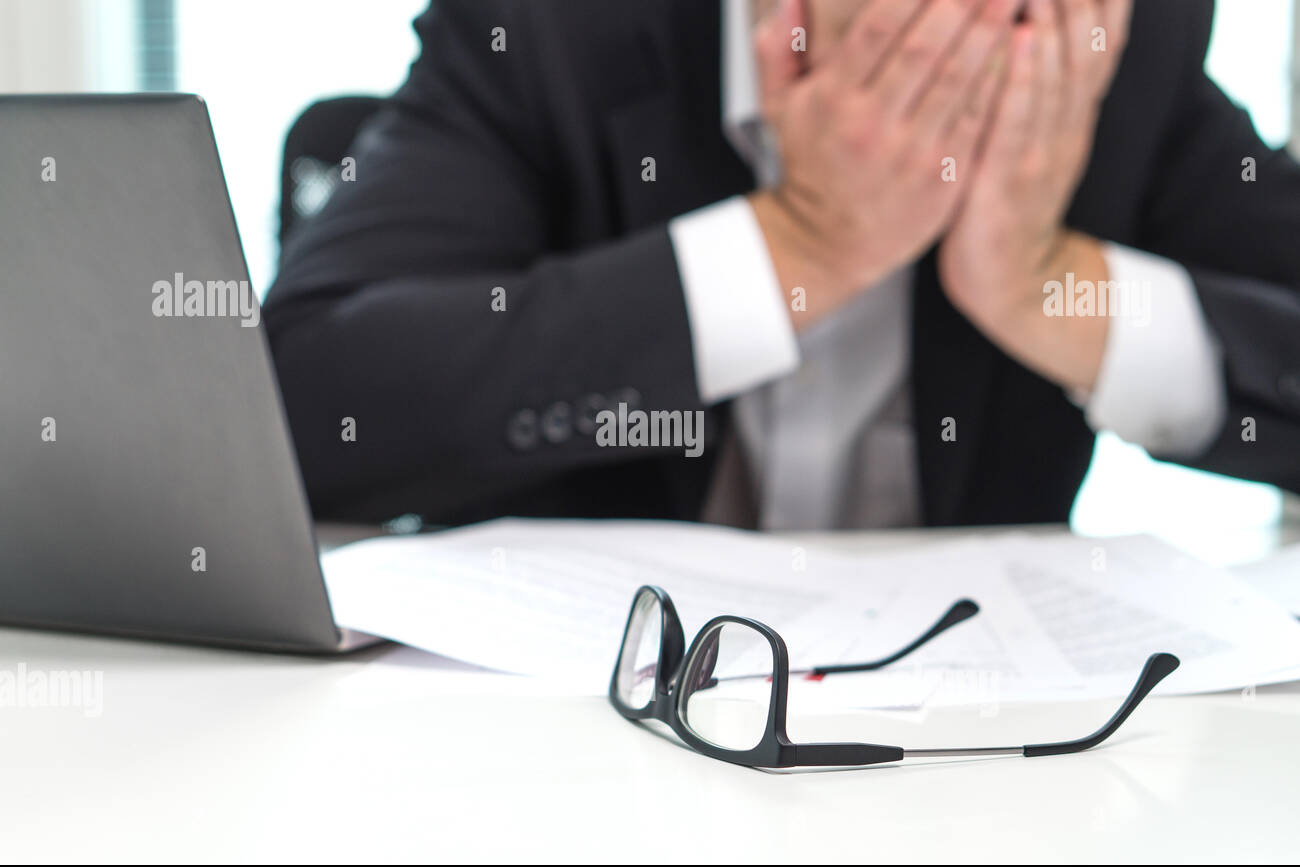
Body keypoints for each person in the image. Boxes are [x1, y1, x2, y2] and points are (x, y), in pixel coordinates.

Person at [263, 0, 1300, 529]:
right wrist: (798, 244)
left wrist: (1047, 286)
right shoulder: (555, 31)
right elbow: (301, 404)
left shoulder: (1101, 50)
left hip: (977, 768)